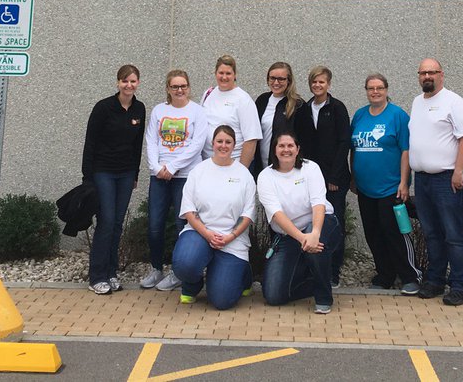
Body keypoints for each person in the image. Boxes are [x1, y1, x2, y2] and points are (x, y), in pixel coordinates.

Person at [408, 57, 463, 306]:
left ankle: (459, 286)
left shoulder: (453, 102)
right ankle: (435, 280)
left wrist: (459, 170)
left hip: (448, 179)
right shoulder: (417, 102)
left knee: (454, 234)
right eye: (423, 72)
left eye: (432, 72)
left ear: (441, 75)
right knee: (432, 233)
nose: (427, 76)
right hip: (423, 180)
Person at [172, 124, 257, 309]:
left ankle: (244, 275)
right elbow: (188, 210)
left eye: (228, 142)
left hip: (232, 240)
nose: (223, 145)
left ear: (234, 145)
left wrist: (230, 237)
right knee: (184, 264)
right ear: (213, 143)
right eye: (219, 141)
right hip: (199, 233)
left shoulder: (244, 175)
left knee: (221, 301)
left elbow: (248, 215)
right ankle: (193, 284)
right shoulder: (198, 171)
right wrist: (208, 234)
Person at [350, 72, 421, 295]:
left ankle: (410, 275)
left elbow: (406, 151)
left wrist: (404, 183)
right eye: (371, 88)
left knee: (395, 232)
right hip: (365, 188)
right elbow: (354, 148)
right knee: (373, 232)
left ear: (387, 90)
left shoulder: (398, 116)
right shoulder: (360, 115)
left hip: (391, 188)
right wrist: (353, 176)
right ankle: (385, 274)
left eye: (379, 88)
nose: (375, 92)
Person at [257, 133, 342, 314]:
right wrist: (303, 238)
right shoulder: (265, 176)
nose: (286, 150)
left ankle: (323, 297)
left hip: (321, 223)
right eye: (281, 146)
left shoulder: (310, 168)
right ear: (274, 150)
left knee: (315, 245)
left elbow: (318, 203)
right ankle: (315, 275)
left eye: (290, 146)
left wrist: (314, 233)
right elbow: (276, 214)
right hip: (289, 236)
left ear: (297, 149)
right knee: (273, 295)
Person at [81, 63, 146, 295]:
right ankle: (96, 276)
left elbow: (137, 145)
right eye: (124, 81)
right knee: (106, 221)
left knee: (117, 223)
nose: (129, 85)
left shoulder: (139, 109)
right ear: (118, 83)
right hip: (103, 172)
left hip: (127, 173)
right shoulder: (103, 108)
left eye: (133, 81)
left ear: (138, 83)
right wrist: (87, 177)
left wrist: (136, 173)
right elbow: (90, 143)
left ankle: (111, 273)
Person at [141, 69, 207, 292]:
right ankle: (156, 268)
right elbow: (151, 140)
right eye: (175, 86)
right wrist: (158, 167)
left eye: (183, 86)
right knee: (155, 226)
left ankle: (178, 273)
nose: (179, 90)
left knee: (182, 224)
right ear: (168, 89)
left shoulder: (197, 111)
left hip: (185, 176)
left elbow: (196, 145)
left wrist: (173, 167)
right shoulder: (159, 110)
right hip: (159, 176)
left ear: (189, 87)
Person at [292, 65, 351, 286]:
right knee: (311, 223)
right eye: (314, 82)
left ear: (329, 84)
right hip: (310, 179)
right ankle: (312, 269)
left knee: (333, 223)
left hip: (334, 180)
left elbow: (344, 142)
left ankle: (333, 272)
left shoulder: (337, 108)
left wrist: (334, 178)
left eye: (322, 82)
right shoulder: (304, 109)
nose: (318, 85)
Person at [200, 55, 262, 167]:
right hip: (208, 164)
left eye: (228, 73)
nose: (224, 77)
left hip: (234, 163)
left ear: (235, 75)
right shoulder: (208, 94)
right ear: (215, 73)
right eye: (221, 73)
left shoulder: (243, 99)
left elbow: (251, 140)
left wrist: (241, 171)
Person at [253, 61, 303, 176]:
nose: (276, 82)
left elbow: (305, 140)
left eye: (281, 79)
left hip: (288, 168)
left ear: (289, 81)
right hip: (262, 165)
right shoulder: (262, 100)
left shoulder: (298, 105)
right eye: (272, 78)